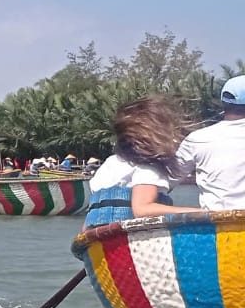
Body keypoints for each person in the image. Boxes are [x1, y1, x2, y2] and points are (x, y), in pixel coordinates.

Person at [84, 97, 202, 227]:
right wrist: (199, 213)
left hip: (98, 241)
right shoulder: (148, 168)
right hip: (129, 241)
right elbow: (142, 210)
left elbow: (89, 219)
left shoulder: (111, 163)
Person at [175, 75, 245, 210]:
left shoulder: (198, 139)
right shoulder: (197, 139)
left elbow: (165, 180)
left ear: (223, 103)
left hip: (217, 226)